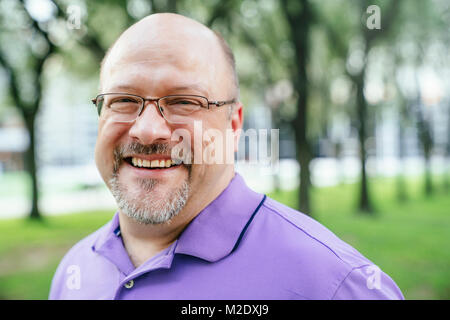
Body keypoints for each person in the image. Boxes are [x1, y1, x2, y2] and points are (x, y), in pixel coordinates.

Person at [49, 13, 404, 300]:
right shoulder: (75, 269)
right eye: (123, 100)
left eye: (184, 101)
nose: (147, 130)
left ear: (233, 125)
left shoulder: (335, 285)